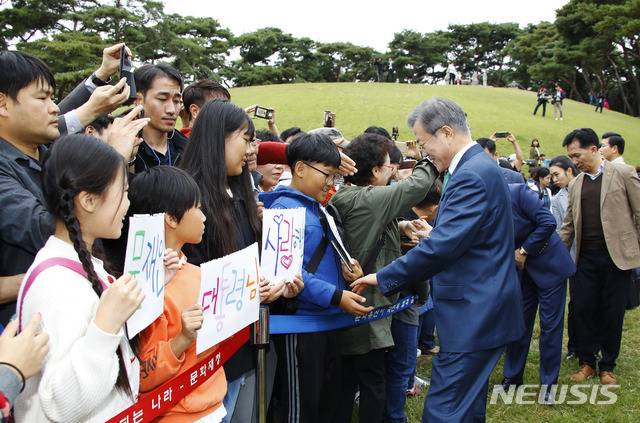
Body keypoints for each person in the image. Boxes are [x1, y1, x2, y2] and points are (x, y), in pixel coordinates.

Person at [351, 97, 524, 423]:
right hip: (485, 307)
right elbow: (472, 237)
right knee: (467, 409)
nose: (420, 151)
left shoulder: (470, 174)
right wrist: (436, 235)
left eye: (423, 141)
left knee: (443, 412)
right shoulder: (479, 168)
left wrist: (384, 276)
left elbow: (444, 248)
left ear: (446, 132)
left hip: (474, 313)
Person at [14, 135, 144, 422]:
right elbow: (62, 403)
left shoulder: (77, 261)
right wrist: (106, 326)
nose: (127, 204)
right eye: (122, 192)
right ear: (88, 200)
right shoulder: (58, 285)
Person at [180, 100, 293, 422]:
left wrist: (277, 282)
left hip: (249, 342)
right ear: (219, 138)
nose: (252, 149)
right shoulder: (192, 198)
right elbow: (191, 272)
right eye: (246, 138)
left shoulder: (243, 195)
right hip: (213, 349)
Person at [260, 132, 373, 423]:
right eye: (327, 174)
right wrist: (336, 296)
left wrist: (350, 273)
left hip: (328, 323)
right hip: (300, 326)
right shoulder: (283, 210)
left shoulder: (319, 208)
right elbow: (286, 272)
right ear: (299, 169)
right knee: (300, 408)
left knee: (328, 403)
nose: (330, 183)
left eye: (335, 177)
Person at [328, 133, 438, 423]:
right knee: (373, 382)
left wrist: (401, 226)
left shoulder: (349, 196)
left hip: (350, 308)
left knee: (345, 382)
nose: (393, 170)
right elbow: (418, 185)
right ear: (375, 170)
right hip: (366, 311)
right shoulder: (367, 198)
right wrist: (431, 156)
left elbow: (368, 231)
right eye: (390, 165)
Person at [129, 166, 228, 422]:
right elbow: (142, 374)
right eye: (197, 207)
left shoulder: (197, 273)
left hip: (214, 404)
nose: (204, 217)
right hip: (176, 414)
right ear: (171, 218)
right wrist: (183, 338)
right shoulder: (141, 288)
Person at [559, 128, 640, 385]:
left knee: (612, 312)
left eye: (577, 154)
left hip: (617, 258)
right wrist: (558, 256)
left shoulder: (623, 173)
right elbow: (568, 225)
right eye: (571, 157)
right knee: (582, 309)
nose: (574, 161)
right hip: (585, 259)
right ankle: (586, 363)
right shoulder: (576, 184)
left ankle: (607, 366)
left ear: (594, 149)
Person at [502, 183, 576, 403]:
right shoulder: (483, 204)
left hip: (549, 265)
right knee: (519, 323)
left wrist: (524, 250)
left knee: (550, 327)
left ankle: (548, 385)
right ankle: (512, 377)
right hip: (521, 273)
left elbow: (548, 222)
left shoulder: (518, 192)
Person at [549, 156, 580, 358]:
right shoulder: (557, 199)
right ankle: (575, 347)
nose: (554, 179)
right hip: (571, 257)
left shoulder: (586, 188)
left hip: (592, 253)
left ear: (569, 171)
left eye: (556, 174)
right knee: (576, 304)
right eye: (551, 176)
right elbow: (560, 230)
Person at [133, 63, 187, 173]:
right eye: (162, 99)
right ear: (139, 100)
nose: (171, 110)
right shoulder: (120, 148)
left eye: (176, 101)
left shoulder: (188, 149)